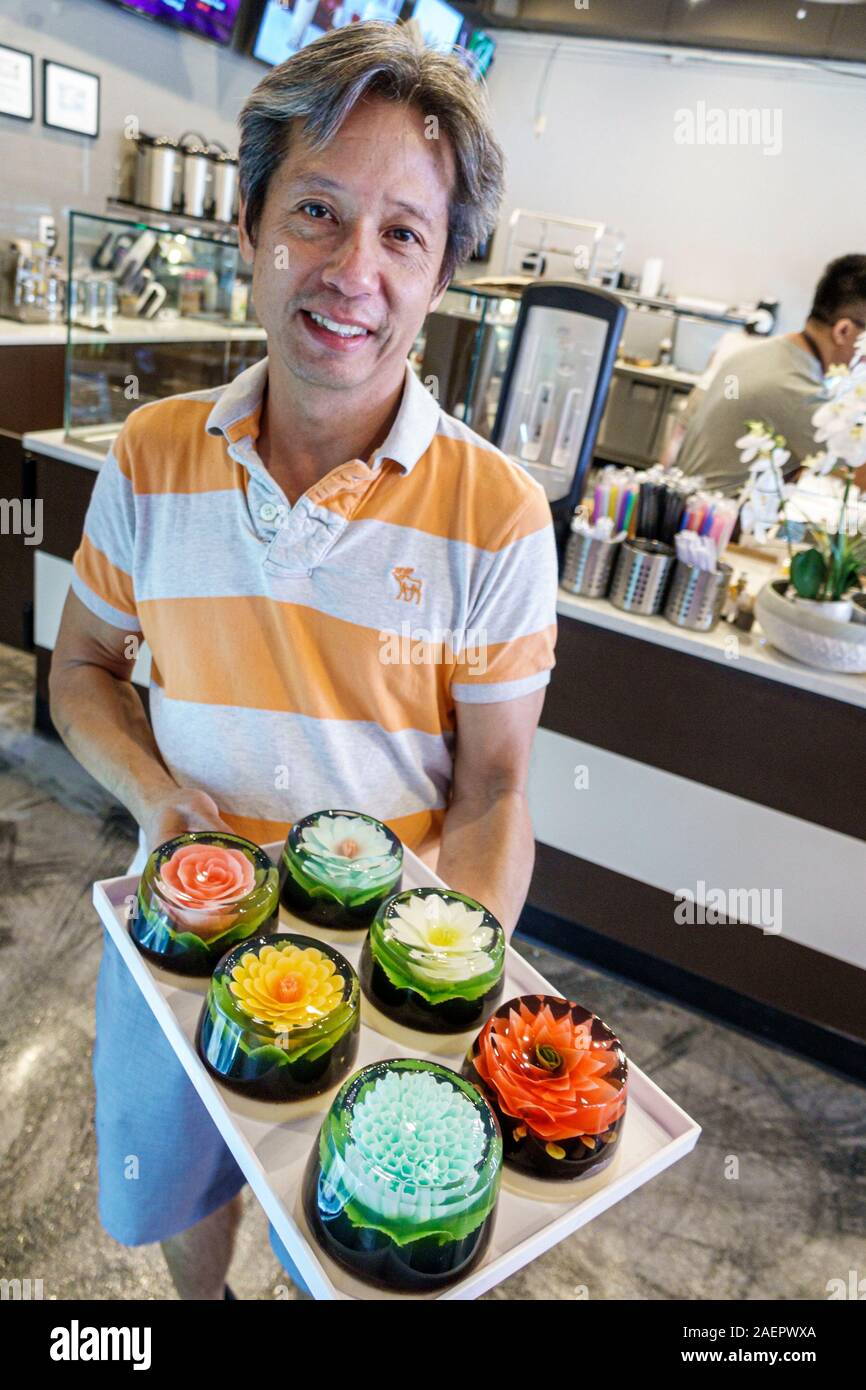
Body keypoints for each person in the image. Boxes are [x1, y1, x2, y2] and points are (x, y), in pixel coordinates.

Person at [48, 22, 558, 1301]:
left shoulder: (497, 514)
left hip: (376, 978)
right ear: (248, 225)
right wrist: (158, 800)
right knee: (170, 1187)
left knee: (337, 1244)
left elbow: (495, 790)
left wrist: (440, 994)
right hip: (175, 931)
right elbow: (83, 672)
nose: (350, 271)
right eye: (317, 212)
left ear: (442, 274)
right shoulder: (151, 454)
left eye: (401, 233)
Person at [674, 254, 866, 495]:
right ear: (844, 331)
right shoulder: (793, 389)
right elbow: (858, 474)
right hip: (720, 522)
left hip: (689, 504)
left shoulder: (756, 355)